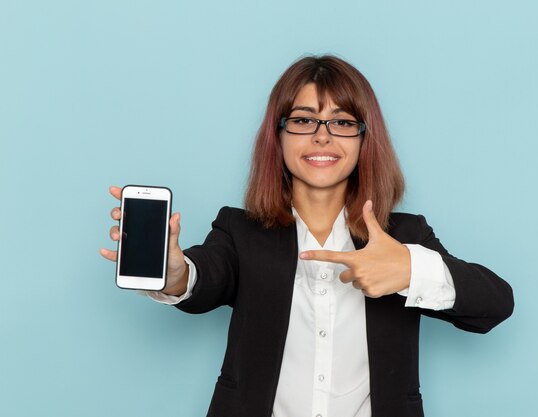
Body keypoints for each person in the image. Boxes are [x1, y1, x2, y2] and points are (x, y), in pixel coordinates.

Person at [101, 55, 514, 417]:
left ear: (365, 139)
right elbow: (205, 276)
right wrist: (175, 273)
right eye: (302, 120)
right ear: (277, 135)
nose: (322, 135)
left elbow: (494, 305)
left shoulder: (404, 235)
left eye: (342, 121)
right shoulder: (239, 230)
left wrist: (409, 269)